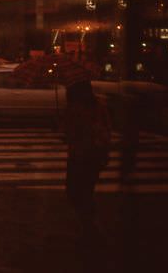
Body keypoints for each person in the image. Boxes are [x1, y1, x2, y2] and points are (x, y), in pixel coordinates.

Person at [63, 80, 111, 238]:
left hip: (79, 155)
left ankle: (89, 221)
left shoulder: (76, 109)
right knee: (87, 188)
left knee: (74, 190)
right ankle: (89, 220)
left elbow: (72, 133)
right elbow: (107, 128)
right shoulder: (99, 105)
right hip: (96, 154)